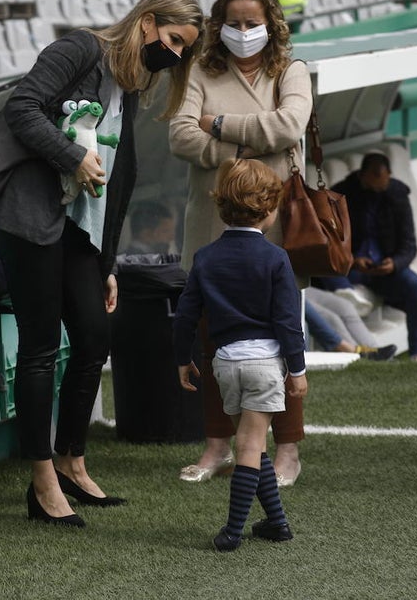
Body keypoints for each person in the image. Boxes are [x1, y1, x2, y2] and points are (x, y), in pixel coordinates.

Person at [0, 0, 203, 527]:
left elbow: (118, 181)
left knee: (94, 339)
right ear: (146, 23)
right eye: (173, 40)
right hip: (27, 217)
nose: (173, 55)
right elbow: (22, 108)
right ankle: (42, 482)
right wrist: (73, 156)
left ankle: (71, 461)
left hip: (79, 229)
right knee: (39, 347)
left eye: (183, 50)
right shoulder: (79, 49)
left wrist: (107, 264)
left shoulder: (130, 84)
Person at [167, 0, 313, 487]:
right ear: (218, 24)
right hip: (213, 229)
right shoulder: (198, 71)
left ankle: (288, 450)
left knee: (284, 333)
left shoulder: (291, 71)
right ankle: (216, 446)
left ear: (271, 22)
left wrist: (217, 125)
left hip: (277, 231)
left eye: (253, 22)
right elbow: (180, 136)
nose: (244, 31)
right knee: (212, 339)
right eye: (233, 23)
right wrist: (248, 148)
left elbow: (289, 126)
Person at [174, 158, 308, 552]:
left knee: (252, 445)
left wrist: (182, 358)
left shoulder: (205, 257)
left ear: (221, 207)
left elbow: (185, 315)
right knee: (251, 446)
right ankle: (232, 531)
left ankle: (277, 523)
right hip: (265, 366)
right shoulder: (276, 258)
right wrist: (297, 369)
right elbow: (287, 322)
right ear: (269, 211)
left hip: (225, 365)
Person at [315, 152, 417, 361]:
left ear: (389, 175)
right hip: (352, 267)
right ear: (362, 175)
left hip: (384, 268)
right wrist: (352, 260)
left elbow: (409, 245)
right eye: (374, 182)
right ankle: (346, 294)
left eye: (382, 182)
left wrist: (395, 263)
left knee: (416, 287)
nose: (379, 188)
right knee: (328, 266)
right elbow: (329, 241)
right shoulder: (341, 194)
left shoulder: (398, 196)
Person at [304, 286, 396, 360]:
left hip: (301, 284)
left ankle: (375, 350)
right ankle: (354, 354)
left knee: (346, 307)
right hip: (294, 292)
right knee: (332, 319)